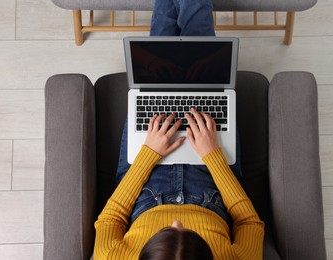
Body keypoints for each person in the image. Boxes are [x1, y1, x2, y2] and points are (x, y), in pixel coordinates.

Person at [93, 0, 264, 259]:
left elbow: (111, 219)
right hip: (212, 180)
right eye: (188, 233)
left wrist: (149, 153)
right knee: (204, 65)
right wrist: (213, 156)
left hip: (145, 179)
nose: (177, 221)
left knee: (158, 70)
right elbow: (249, 223)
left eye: (166, 232)